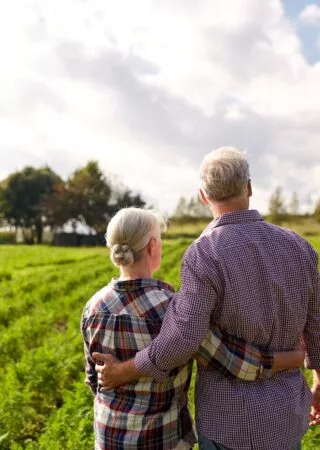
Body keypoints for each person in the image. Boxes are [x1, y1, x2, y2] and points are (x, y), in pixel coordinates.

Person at [95, 148, 320, 450]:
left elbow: (184, 338)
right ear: (249, 188)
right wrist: (318, 380)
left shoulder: (204, 253)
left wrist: (123, 371)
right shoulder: (301, 247)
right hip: (288, 415)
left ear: (203, 196)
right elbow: (316, 326)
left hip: (229, 423)